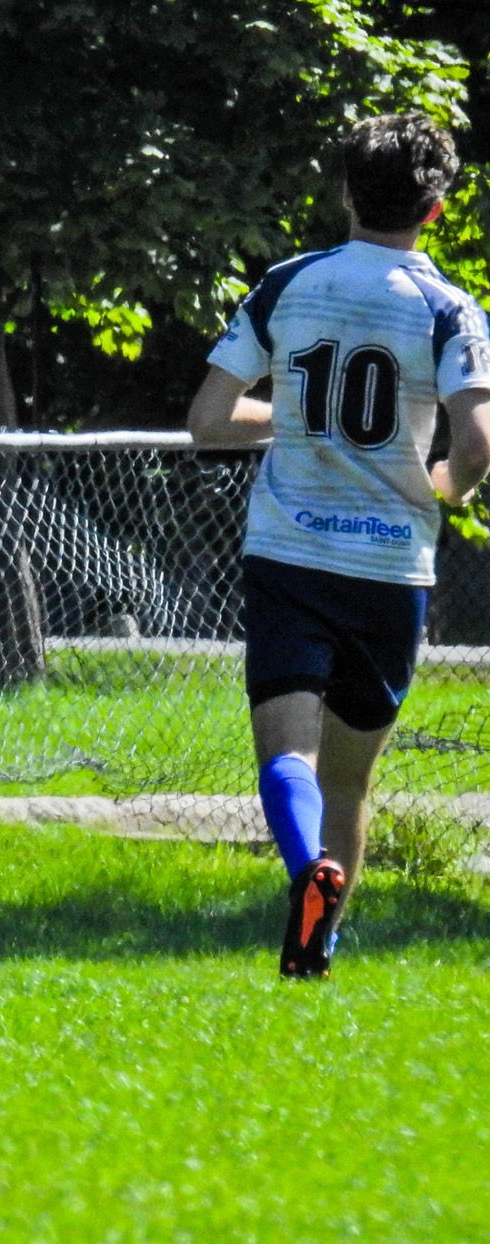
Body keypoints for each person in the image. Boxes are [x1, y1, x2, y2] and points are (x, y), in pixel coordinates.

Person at [186, 112, 490, 978]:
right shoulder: (449, 307)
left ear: (346, 192)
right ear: (435, 212)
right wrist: (439, 493)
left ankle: (303, 872)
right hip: (391, 570)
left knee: (289, 757)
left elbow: (209, 420)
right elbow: (474, 447)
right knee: (351, 781)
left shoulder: (288, 282)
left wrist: (305, 423)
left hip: (287, 557)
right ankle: (317, 954)